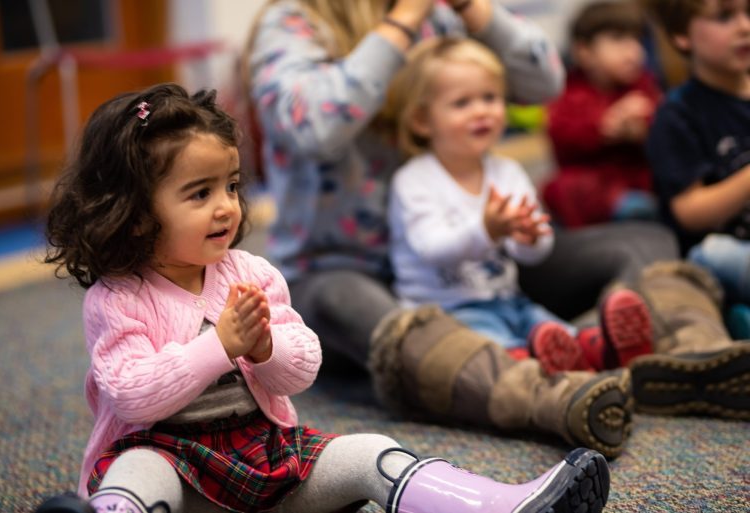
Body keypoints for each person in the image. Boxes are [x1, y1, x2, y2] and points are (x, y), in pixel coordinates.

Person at [32, 83, 612, 513]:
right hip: (174, 474)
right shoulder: (119, 297)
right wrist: (220, 346)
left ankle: (495, 506)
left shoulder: (251, 272)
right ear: (133, 214)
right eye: (199, 193)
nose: (226, 206)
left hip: (261, 464)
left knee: (371, 453)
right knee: (139, 471)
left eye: (231, 186)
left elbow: (303, 367)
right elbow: (133, 397)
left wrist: (263, 350)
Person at [245, 0, 638, 459]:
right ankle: (545, 393)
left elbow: (545, 82)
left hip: (467, 264)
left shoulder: (446, 16)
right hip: (338, 269)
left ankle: (665, 354)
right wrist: (404, 19)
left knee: (640, 243)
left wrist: (470, 7)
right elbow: (315, 127)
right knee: (399, 328)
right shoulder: (293, 22)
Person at [385, 36, 653, 374]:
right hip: (445, 313)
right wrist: (486, 230)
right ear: (423, 120)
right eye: (462, 103)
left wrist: (529, 238)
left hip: (508, 299)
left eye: (490, 97)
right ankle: (528, 367)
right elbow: (430, 248)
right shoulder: (415, 179)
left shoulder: (507, 172)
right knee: (489, 346)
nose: (482, 110)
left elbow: (535, 251)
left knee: (545, 326)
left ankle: (599, 349)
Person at [644, 0, 750, 339]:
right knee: (712, 254)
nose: (744, 27)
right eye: (724, 17)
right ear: (681, 35)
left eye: (749, 12)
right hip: (725, 252)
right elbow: (690, 212)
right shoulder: (678, 114)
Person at [543, 0, 661, 228]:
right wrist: (605, 126)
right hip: (591, 193)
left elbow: (666, 127)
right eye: (618, 40)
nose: (633, 51)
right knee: (562, 188)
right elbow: (560, 134)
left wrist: (644, 128)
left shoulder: (644, 86)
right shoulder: (569, 92)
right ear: (584, 52)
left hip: (637, 183)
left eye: (636, 39)